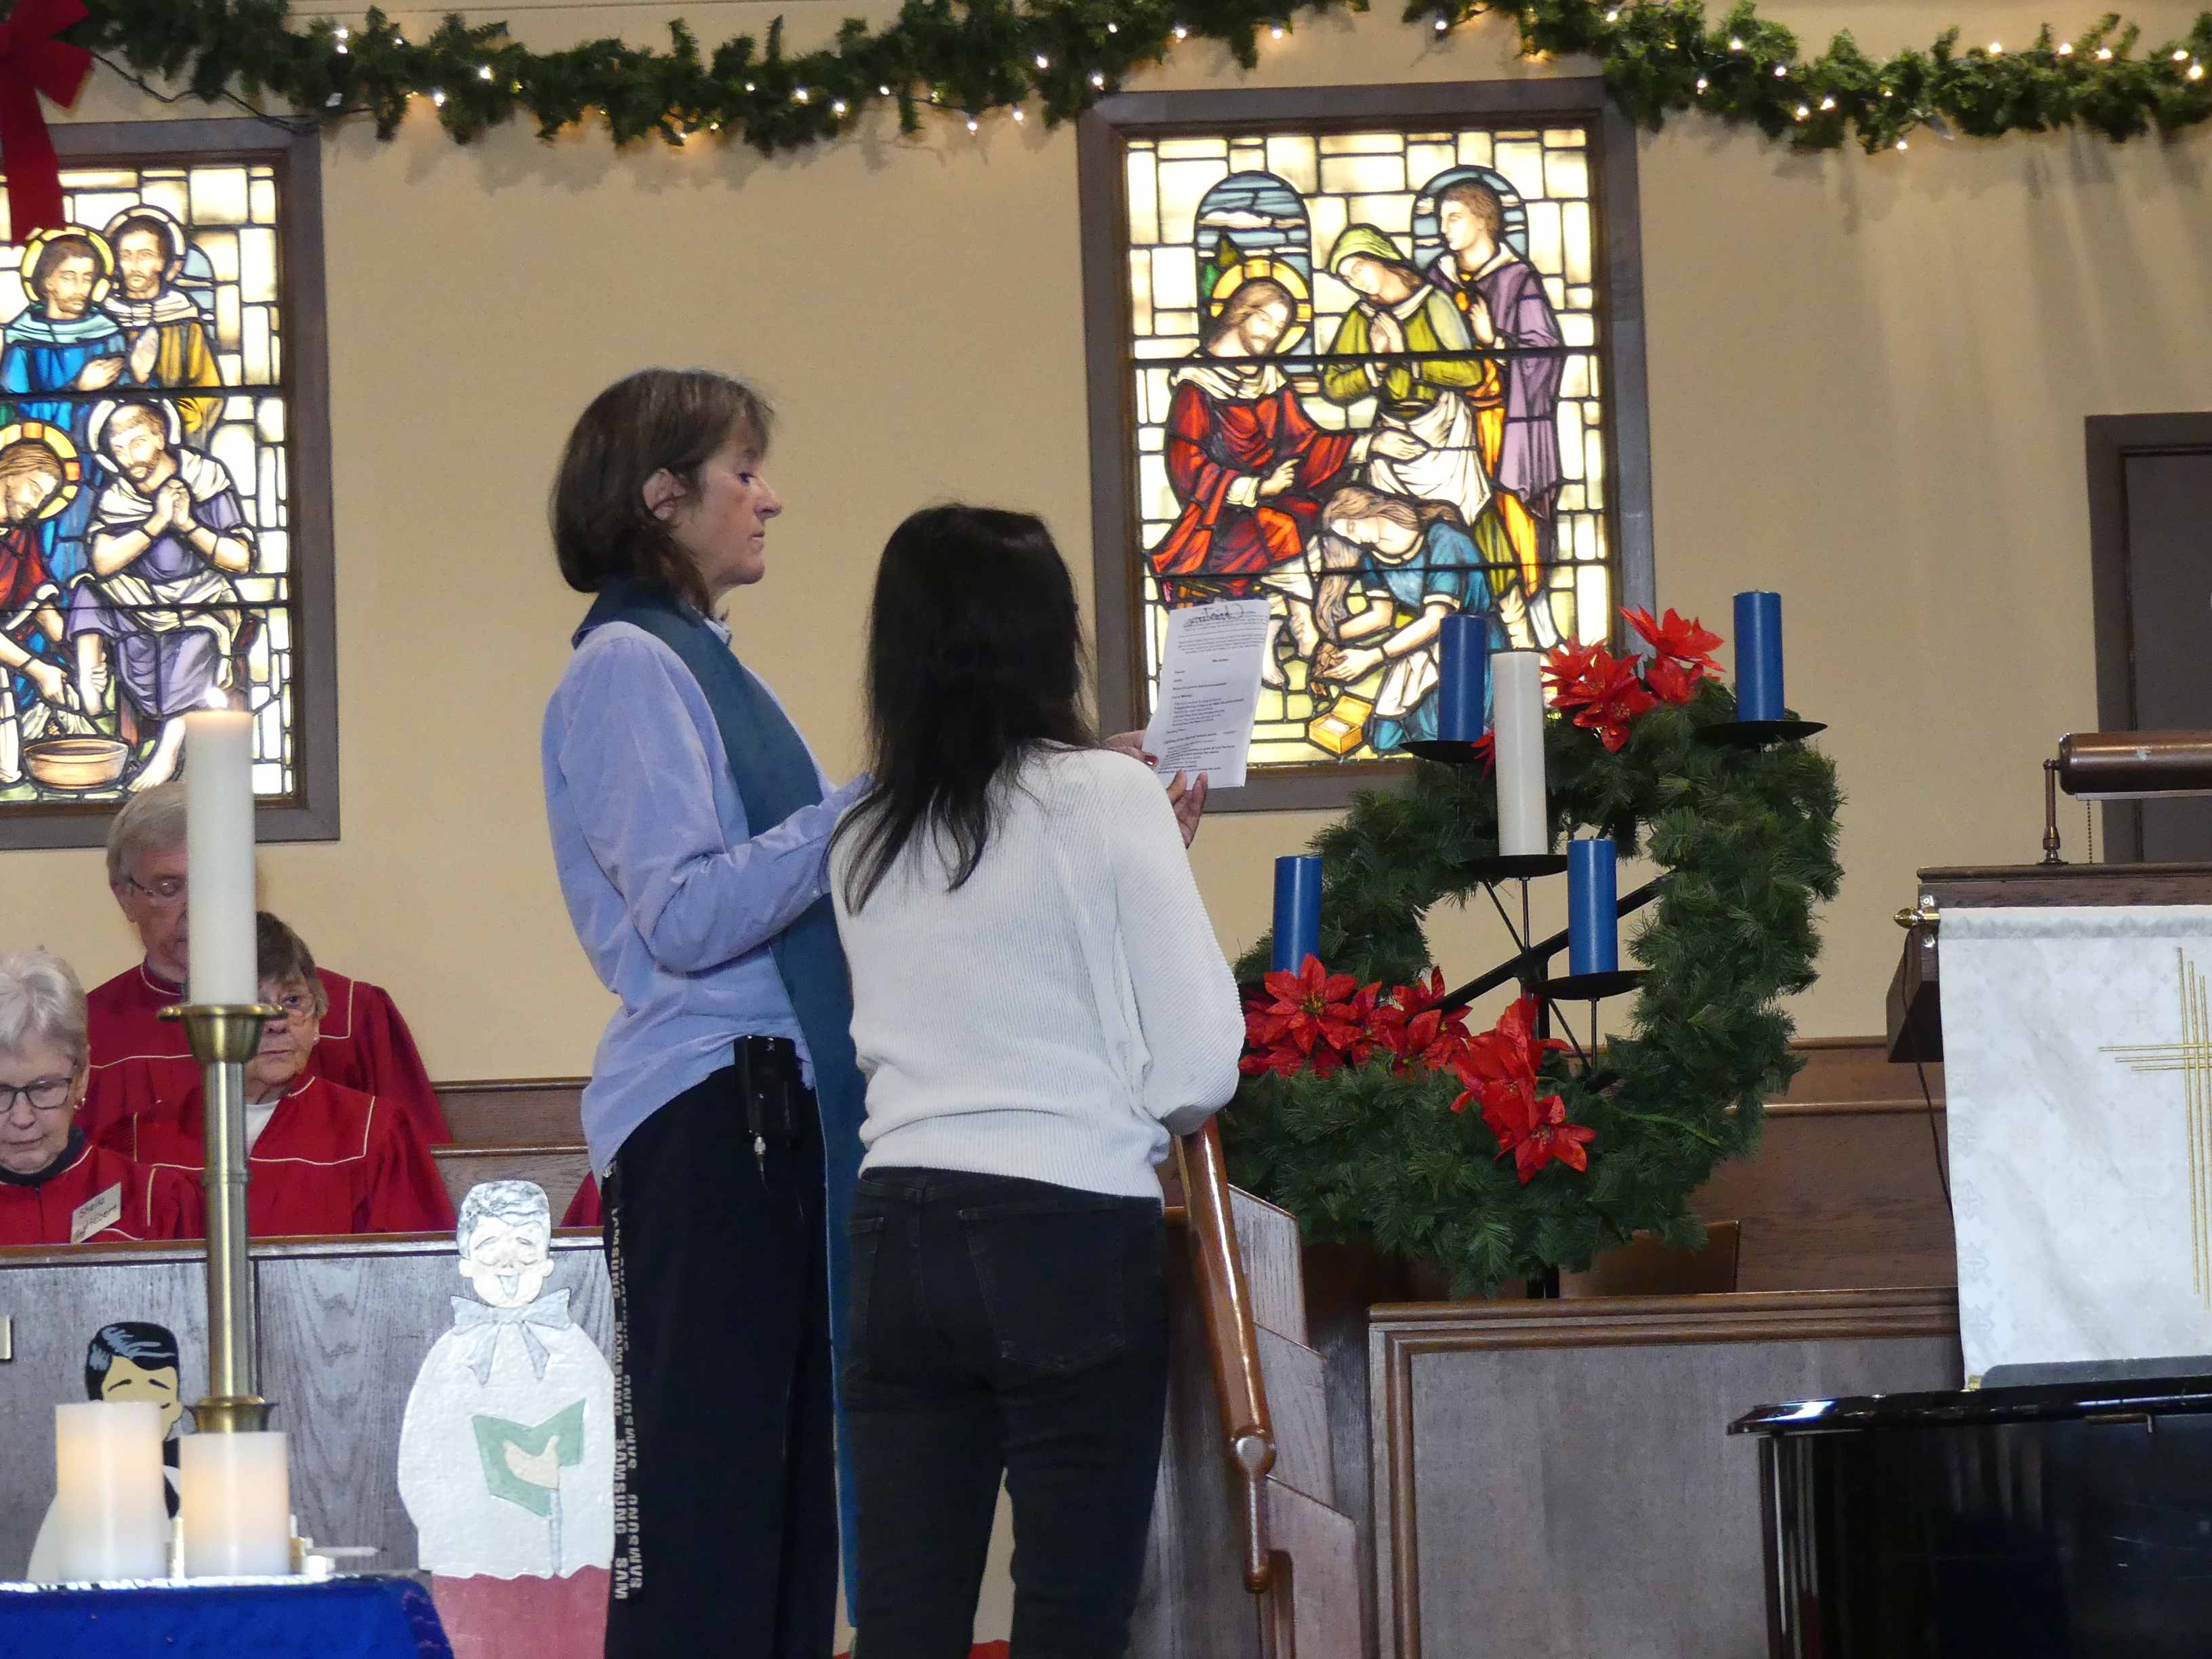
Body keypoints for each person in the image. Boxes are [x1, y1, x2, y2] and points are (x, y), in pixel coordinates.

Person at [829, 505, 1244, 1658]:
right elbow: (1197, 1066)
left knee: (905, 1621)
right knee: (1071, 1612)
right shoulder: (1108, 798)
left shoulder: (858, 835)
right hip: (1063, 1228)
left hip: (895, 1229)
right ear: (1050, 638)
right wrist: (1140, 857)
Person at [541, 367, 872, 1659]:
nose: (768, 497)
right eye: (743, 470)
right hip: (714, 1114)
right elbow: (681, 914)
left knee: (780, 1519)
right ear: (660, 495)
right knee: (711, 1517)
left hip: (770, 1108)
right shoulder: (629, 667)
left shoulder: (704, 662)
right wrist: (859, 808)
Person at [82, 782, 452, 1144]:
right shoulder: (88, 1032)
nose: (200, 908)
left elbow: (420, 1163)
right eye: (170, 888)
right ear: (125, 897)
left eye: (218, 881)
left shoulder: (353, 1014)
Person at [102, 912, 454, 1237]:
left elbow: (414, 1268)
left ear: (318, 1021)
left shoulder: (373, 1132)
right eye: (253, 1004)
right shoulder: (140, 1142)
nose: (278, 1023)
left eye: (293, 1001)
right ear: (206, 1025)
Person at [398, 1180, 613, 1659]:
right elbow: (421, 1459)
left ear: (547, 1261)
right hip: (477, 1561)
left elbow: (607, 1446)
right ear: (465, 1262)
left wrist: (561, 1477)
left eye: (525, 1245)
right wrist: (485, 1487)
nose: (508, 1261)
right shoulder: (449, 1357)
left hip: (569, 1564)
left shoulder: (575, 1350)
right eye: (490, 1245)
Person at [66, 399, 251, 791]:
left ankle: (168, 748)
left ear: (161, 436)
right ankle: (89, 689)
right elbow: (102, 563)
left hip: (199, 599)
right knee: (87, 590)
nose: (128, 458)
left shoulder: (205, 477)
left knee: (199, 638)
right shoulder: (118, 495)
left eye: (137, 443)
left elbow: (240, 559)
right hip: (138, 598)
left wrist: (187, 525)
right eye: (118, 449)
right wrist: (157, 522)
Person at [1426, 179, 1567, 648]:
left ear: (1484, 220)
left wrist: (1494, 342)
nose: (1444, 228)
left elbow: (1544, 353)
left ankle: (1531, 620)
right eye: (1441, 219)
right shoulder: (1437, 280)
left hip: (1508, 427)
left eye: (1454, 217)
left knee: (1513, 521)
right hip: (1449, 427)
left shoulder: (1517, 279)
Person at [0, 948, 197, 1246]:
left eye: (44, 1088)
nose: (22, 1118)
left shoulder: (154, 1200)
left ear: (82, 1078)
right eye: (1, 1092)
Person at [1318, 224, 1495, 546]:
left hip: (1446, 435)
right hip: (1391, 436)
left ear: (1380, 257)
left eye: (1358, 269)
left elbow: (1471, 373)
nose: (1355, 282)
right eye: (1347, 278)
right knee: (1389, 525)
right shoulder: (1361, 317)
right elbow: (1333, 386)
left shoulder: (1434, 303)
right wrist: (1376, 367)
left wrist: (1408, 359)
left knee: (1460, 524)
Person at [1309, 485, 1514, 752]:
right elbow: (1380, 617)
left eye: (1351, 527)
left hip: (1473, 649)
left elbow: (1435, 619)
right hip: (1425, 644)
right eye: (1346, 536)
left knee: (1441, 734)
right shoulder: (1373, 559)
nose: (1355, 539)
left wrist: (1372, 657)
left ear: (1370, 508)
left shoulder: (1444, 541)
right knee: (1385, 737)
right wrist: (1330, 641)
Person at [0, 229, 125, 583]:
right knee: (42, 553)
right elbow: (17, 414)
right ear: (46, 283)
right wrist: (77, 389)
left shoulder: (108, 334)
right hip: (40, 469)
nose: (81, 288)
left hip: (98, 468)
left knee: (87, 548)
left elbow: (130, 403)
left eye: (88, 278)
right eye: (69, 277)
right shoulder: (24, 340)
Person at [25, 1321, 186, 1580]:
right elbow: (42, 1587)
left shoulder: (191, 1490)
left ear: (175, 1409)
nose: (141, 1414)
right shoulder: (75, 1502)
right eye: (125, 1392)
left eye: (158, 1392)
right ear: (97, 1407)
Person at [0, 429, 86, 788]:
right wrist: (38, 670)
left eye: (45, 497)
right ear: (8, 471)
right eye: (35, 489)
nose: (37, 504)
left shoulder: (21, 534)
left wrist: (77, 654)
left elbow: (38, 602)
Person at [103, 207, 224, 442]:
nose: (134, 265)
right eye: (126, 255)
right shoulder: (103, 321)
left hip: (168, 439)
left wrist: (162, 423)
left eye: (145, 255)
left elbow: (208, 393)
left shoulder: (183, 319)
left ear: (163, 261)